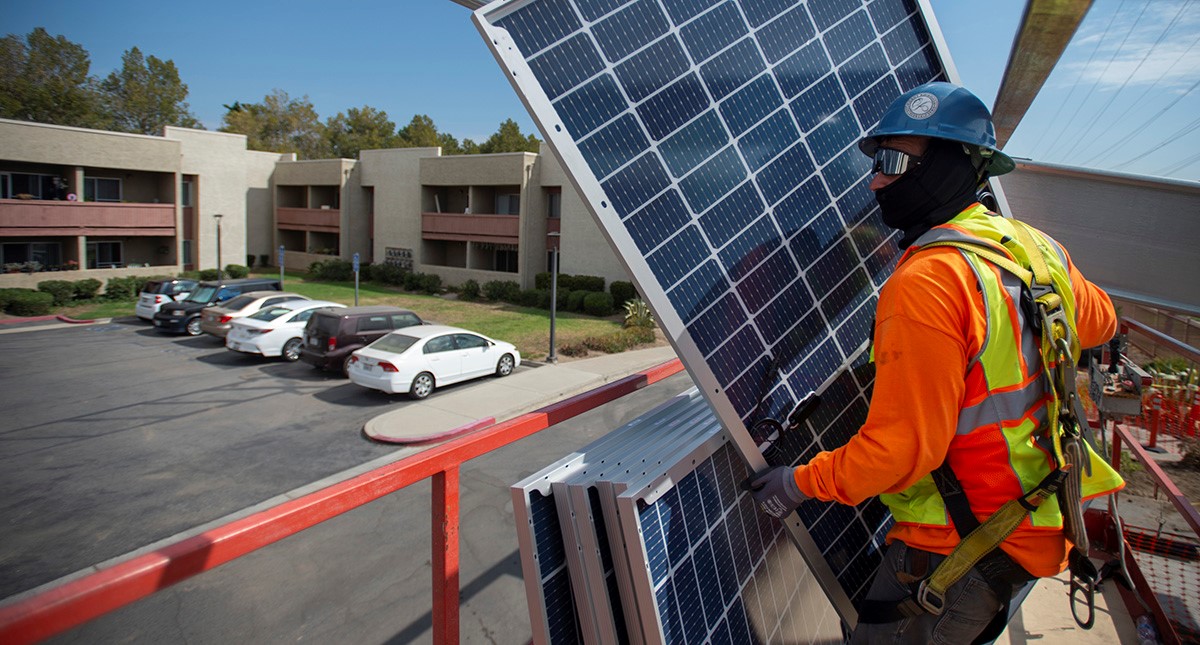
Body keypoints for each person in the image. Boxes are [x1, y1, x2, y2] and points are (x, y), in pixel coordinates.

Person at [749, 82, 1124, 644]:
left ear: (951, 166)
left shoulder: (928, 281)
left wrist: (799, 482)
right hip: (1034, 527)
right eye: (878, 161)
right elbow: (1101, 321)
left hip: (956, 550)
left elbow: (899, 452)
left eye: (894, 161)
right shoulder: (1032, 248)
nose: (876, 179)